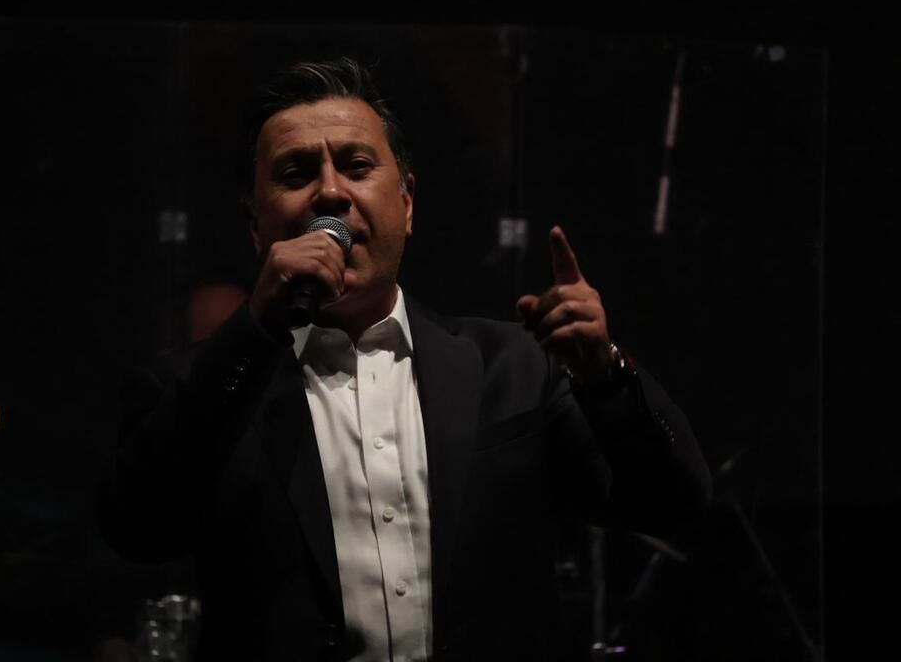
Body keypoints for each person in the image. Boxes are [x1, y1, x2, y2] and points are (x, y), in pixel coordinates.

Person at [99, 57, 711, 661]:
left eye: (356, 166)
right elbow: (136, 528)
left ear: (407, 202)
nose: (330, 192)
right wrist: (255, 331)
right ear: (255, 224)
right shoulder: (196, 385)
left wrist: (605, 372)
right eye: (295, 173)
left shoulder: (516, 369)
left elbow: (674, 501)